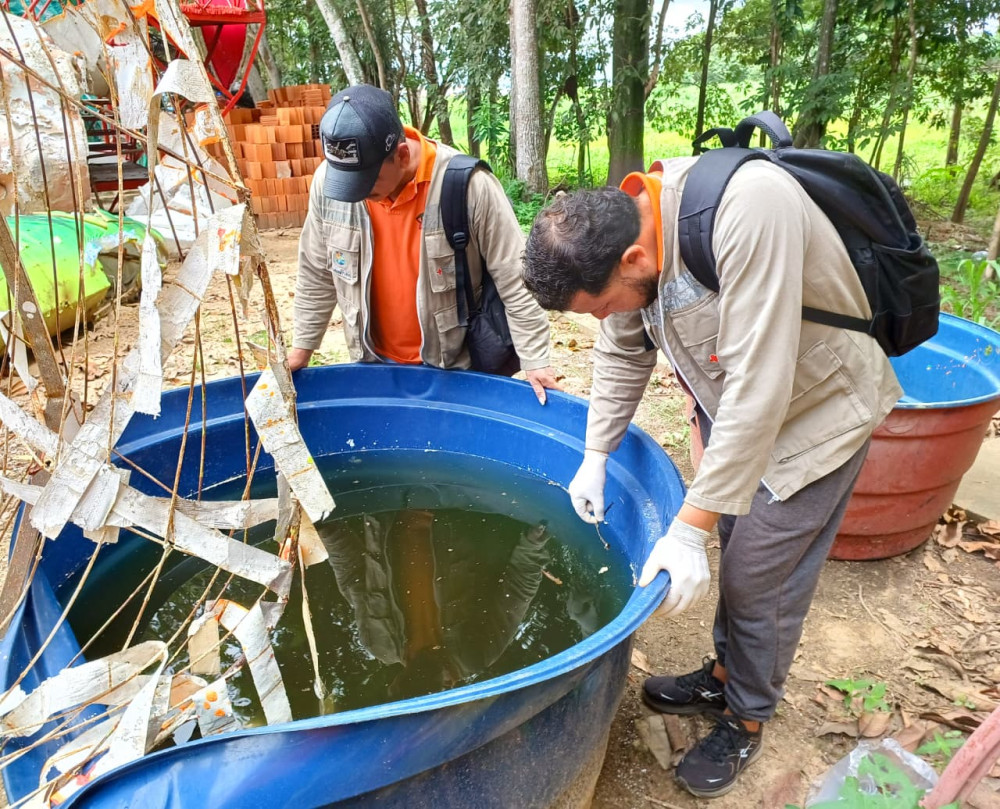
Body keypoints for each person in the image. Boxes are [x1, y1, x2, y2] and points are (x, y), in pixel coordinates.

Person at [520, 160, 902, 797]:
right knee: (733, 547)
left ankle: (747, 718)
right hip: (744, 416)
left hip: (818, 413)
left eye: (604, 305)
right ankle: (724, 677)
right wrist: (596, 454)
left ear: (634, 258)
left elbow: (760, 387)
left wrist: (686, 530)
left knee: (758, 578)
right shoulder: (624, 242)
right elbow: (622, 350)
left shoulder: (750, 210)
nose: (606, 316)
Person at [291, 84, 560, 404]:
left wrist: (535, 360)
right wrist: (302, 348)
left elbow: (515, 276)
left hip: (454, 370)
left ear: (402, 155)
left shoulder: (469, 186)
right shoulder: (331, 183)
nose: (355, 194)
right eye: (347, 181)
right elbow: (316, 270)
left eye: (367, 183)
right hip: (374, 365)